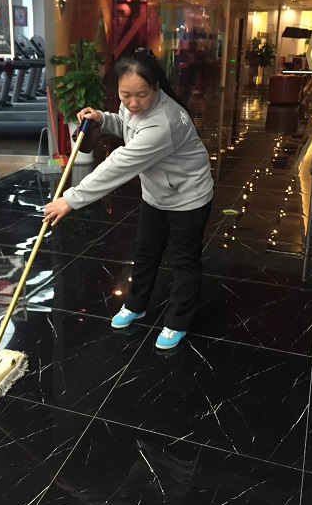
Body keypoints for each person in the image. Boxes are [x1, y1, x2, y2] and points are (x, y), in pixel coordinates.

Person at [44, 48, 214, 350]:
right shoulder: (134, 107)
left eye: (141, 95)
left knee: (184, 260)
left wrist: (70, 199)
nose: (133, 103)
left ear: (155, 86)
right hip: (156, 192)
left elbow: (118, 165)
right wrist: (103, 118)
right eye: (125, 95)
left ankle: (178, 320)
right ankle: (136, 304)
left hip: (189, 196)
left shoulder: (164, 123)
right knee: (146, 252)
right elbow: (127, 123)